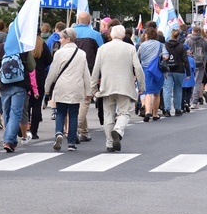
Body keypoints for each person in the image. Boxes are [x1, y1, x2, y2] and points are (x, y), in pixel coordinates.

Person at [91, 25, 145, 152]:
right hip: (125, 86)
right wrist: (141, 85)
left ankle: (109, 142)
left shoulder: (102, 48)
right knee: (124, 112)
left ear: (110, 35)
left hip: (107, 86)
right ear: (123, 35)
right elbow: (138, 68)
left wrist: (93, 88)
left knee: (108, 114)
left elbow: (96, 69)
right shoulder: (130, 48)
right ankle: (118, 129)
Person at [45, 28, 91, 151]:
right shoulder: (81, 54)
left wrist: (47, 88)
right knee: (73, 114)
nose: (59, 40)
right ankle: (71, 142)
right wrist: (88, 92)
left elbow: (52, 73)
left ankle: (59, 132)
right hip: (76, 87)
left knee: (60, 111)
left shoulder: (59, 53)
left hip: (61, 86)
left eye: (61, 38)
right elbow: (86, 74)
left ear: (68, 39)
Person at [0, 31, 36, 153]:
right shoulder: (23, 48)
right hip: (20, 85)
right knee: (16, 113)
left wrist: (0, 76)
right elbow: (31, 66)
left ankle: (10, 140)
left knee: (7, 113)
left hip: (4, 84)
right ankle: (9, 140)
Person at [72, 11, 105, 141]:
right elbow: (102, 56)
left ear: (78, 20)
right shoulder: (95, 35)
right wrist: (100, 75)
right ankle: (77, 126)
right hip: (90, 72)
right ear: (89, 21)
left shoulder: (68, 33)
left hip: (70, 72)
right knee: (85, 101)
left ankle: (84, 131)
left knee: (75, 100)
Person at [138, 27, 165, 122]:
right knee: (157, 93)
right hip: (157, 70)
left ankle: (147, 112)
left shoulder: (142, 45)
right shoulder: (161, 45)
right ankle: (155, 114)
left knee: (148, 92)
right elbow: (166, 56)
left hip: (146, 70)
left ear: (146, 35)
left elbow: (138, 57)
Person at [184, 26, 207, 108]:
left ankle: (188, 100)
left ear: (192, 31)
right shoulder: (204, 41)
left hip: (190, 63)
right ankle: (194, 102)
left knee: (189, 81)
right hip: (200, 63)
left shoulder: (188, 40)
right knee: (197, 82)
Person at [162, 29, 190, 115]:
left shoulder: (165, 45)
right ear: (178, 37)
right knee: (178, 89)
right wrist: (188, 72)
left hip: (168, 69)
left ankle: (167, 109)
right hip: (179, 70)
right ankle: (178, 109)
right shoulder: (181, 46)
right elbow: (185, 60)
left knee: (167, 89)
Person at [30, 35, 52, 139]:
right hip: (39, 77)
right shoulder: (42, 44)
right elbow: (49, 60)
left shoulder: (26, 43)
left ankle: (23, 129)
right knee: (36, 105)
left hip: (27, 77)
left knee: (25, 106)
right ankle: (34, 131)